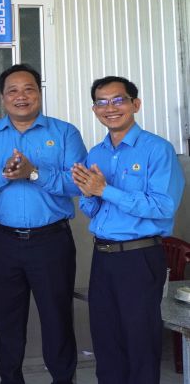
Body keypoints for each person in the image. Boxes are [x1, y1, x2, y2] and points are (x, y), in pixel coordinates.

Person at [0, 63, 86, 384]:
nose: (21, 97)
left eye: (28, 89)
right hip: (3, 241)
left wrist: (34, 173)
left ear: (39, 93)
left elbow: (78, 184)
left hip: (51, 242)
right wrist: (4, 175)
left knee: (57, 319)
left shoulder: (64, 133)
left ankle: (63, 380)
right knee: (7, 322)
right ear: (2, 97)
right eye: (13, 90)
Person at [72, 76, 184, 384]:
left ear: (135, 104)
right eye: (101, 102)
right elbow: (93, 210)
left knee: (140, 343)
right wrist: (88, 192)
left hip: (140, 257)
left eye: (118, 100)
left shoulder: (157, 150)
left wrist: (105, 189)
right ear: (95, 109)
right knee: (106, 342)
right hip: (103, 256)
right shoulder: (96, 154)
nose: (110, 108)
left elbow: (163, 206)